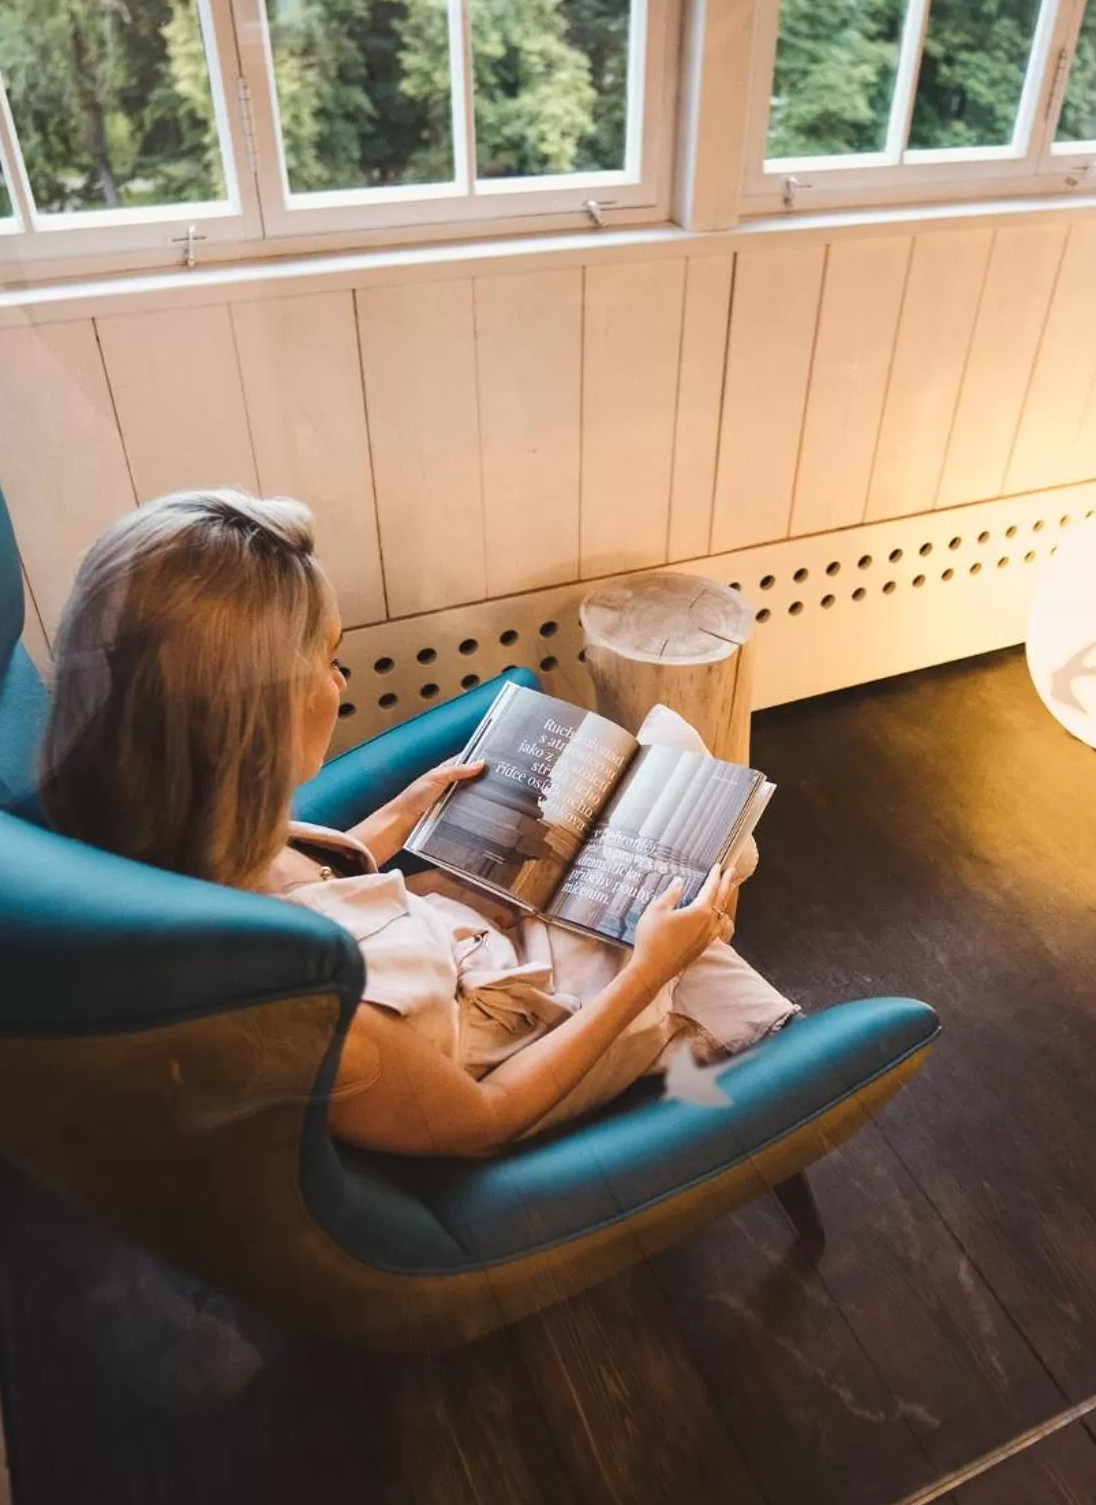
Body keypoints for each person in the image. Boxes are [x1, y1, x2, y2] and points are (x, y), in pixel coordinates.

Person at [40, 489, 794, 1157]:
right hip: (532, 1037)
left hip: (462, 946)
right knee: (699, 834)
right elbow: (485, 1120)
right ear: (258, 724)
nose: (340, 682)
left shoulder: (185, 840)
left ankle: (705, 969)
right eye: (328, 661)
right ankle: (734, 1031)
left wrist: (405, 811)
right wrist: (648, 971)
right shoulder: (306, 1005)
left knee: (670, 809)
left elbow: (321, 888)